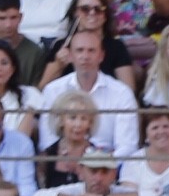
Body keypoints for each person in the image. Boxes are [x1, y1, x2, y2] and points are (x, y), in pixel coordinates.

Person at [38, 28, 140, 156]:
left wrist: (97, 165)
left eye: (91, 51)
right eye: (79, 50)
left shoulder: (122, 93)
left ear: (101, 56)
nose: (85, 56)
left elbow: (127, 147)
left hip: (105, 168)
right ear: (70, 56)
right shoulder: (53, 90)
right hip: (63, 164)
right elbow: (47, 141)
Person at [37, 0, 138, 91]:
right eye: (85, 9)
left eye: (98, 9)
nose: (92, 13)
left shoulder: (116, 47)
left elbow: (128, 90)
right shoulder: (62, 46)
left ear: (104, 16)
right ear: (76, 13)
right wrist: (58, 65)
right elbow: (42, 89)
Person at [30, 144, 156, 196]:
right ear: (81, 171)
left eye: (104, 172)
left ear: (114, 174)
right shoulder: (73, 190)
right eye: (93, 171)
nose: (98, 178)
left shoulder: (120, 192)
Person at [0, 0, 49, 87]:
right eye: (2, 18)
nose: (8, 25)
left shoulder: (35, 52)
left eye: (13, 18)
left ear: (20, 17)